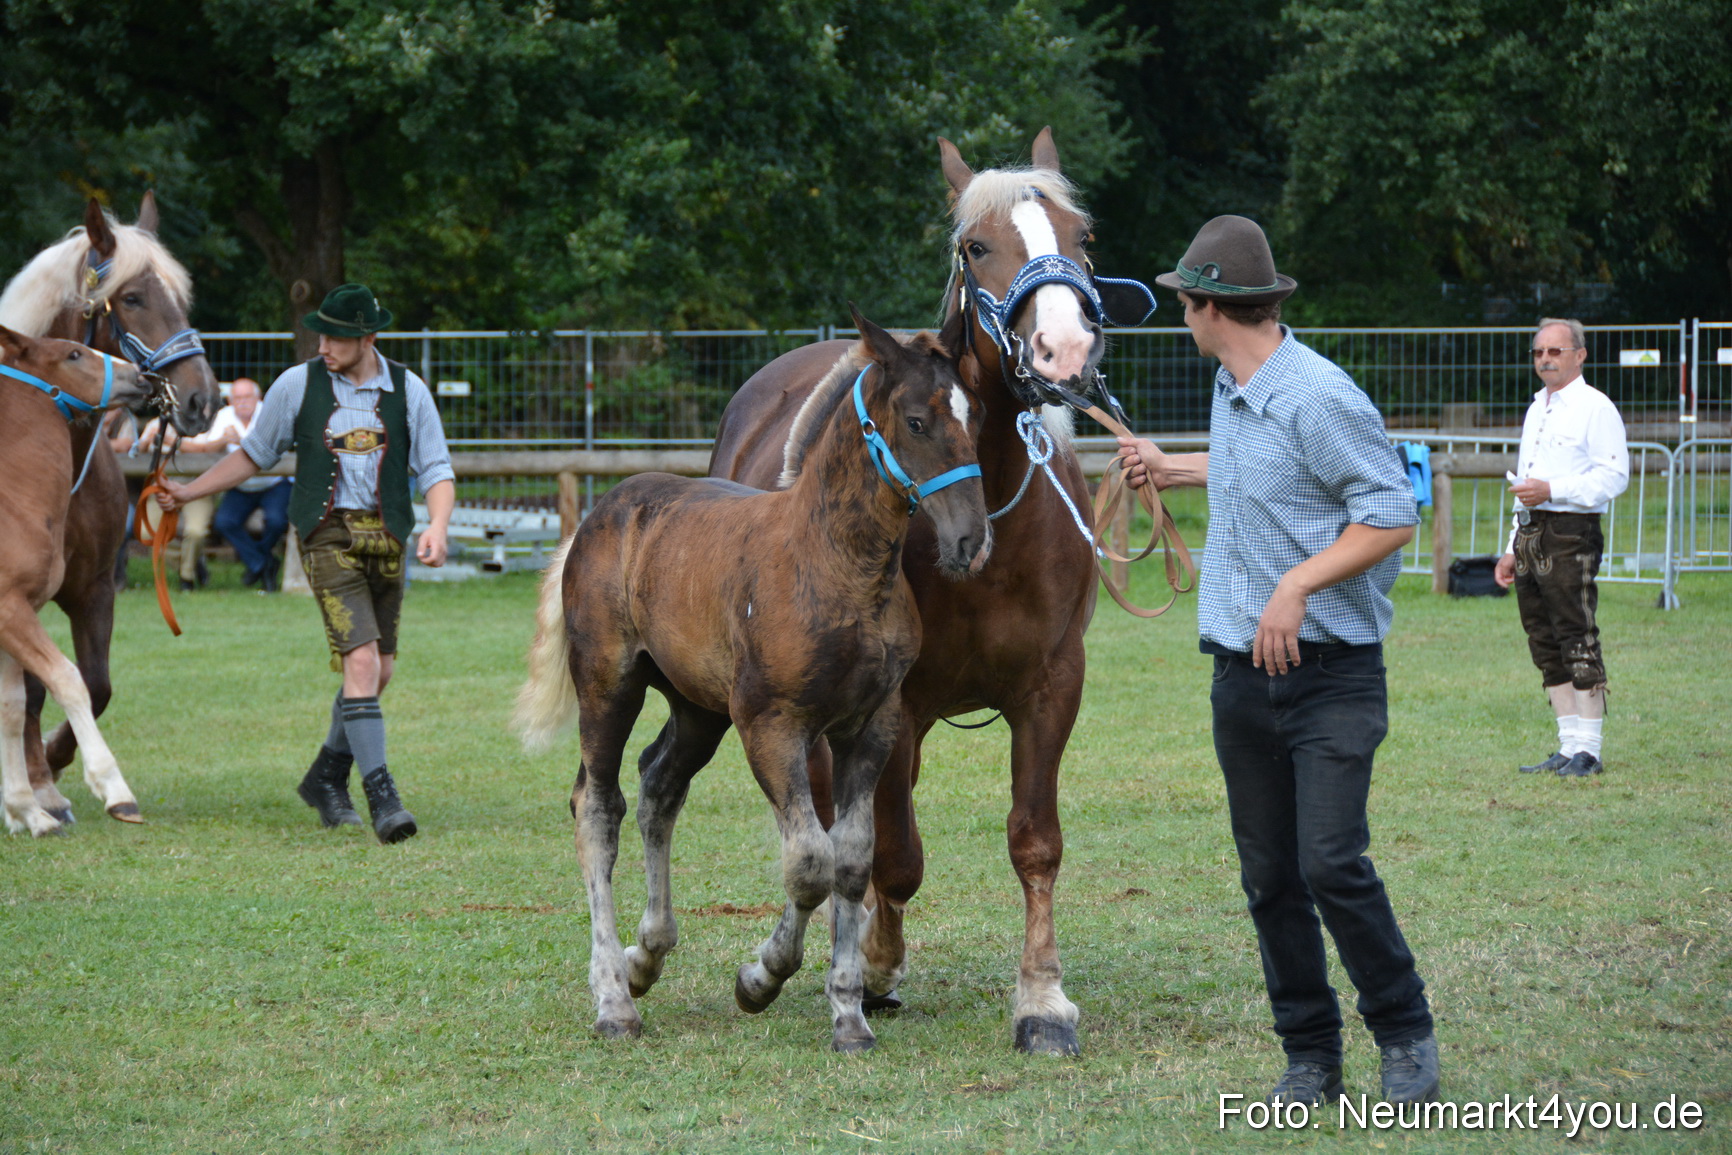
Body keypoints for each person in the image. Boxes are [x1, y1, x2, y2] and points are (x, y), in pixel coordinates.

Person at [1115, 216, 1438, 1106]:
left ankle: (1404, 1030)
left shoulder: (1320, 395)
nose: (1182, 314)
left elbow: (1390, 510)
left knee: (1331, 862)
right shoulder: (1236, 385)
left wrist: (1295, 584)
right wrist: (1173, 468)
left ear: (1210, 305)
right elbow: (1263, 465)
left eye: (1186, 301)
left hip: (1331, 675)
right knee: (1270, 878)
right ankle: (1310, 1052)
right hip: (1240, 676)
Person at [156, 284, 455, 843]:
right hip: (327, 536)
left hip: (387, 537)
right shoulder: (297, 384)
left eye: (337, 336)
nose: (323, 345)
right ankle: (383, 798)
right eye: (321, 333)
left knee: (380, 670)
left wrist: (437, 526)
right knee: (361, 663)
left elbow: (436, 467)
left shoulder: (408, 389)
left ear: (368, 337)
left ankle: (324, 777)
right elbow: (252, 455)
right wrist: (191, 492)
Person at [1493, 319, 1629, 777]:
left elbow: (1613, 477)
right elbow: (1523, 478)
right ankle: (1568, 745)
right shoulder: (1537, 408)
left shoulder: (1596, 407)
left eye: (1555, 351)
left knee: (1576, 633)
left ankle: (1589, 749)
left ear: (1580, 355)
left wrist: (1553, 489)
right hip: (1532, 531)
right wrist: (1511, 545)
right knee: (1543, 638)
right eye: (1538, 353)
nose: (1546, 359)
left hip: (1572, 530)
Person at [201, 377, 294, 592]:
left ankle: (258, 561)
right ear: (230, 400)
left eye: (247, 397)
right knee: (224, 522)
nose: (242, 402)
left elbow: (277, 447)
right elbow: (208, 448)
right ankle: (263, 563)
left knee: (277, 521)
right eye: (237, 398)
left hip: (273, 482)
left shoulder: (271, 413)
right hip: (240, 484)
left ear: (258, 397)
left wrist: (243, 442)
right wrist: (223, 441)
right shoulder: (222, 416)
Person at [133, 416, 215, 591]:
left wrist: (171, 441)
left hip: (196, 486)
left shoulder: (202, 423)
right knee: (147, 533)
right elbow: (137, 452)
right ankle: (190, 563)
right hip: (162, 485)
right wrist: (146, 442)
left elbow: (206, 450)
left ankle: (187, 578)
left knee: (196, 531)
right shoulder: (155, 424)